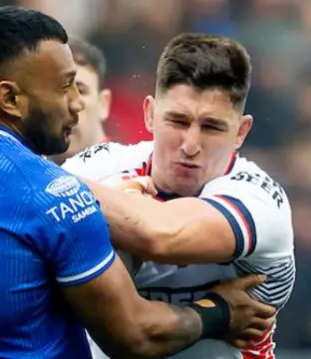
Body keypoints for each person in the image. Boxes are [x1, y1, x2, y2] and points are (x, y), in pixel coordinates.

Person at [0, 7, 276, 359]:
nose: (77, 104)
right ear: (10, 98)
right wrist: (220, 312)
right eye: (66, 87)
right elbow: (136, 334)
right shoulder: (50, 197)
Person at [62, 33, 295, 359]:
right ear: (149, 114)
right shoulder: (101, 168)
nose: (190, 144)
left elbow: (160, 235)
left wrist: (77, 199)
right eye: (177, 120)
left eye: (212, 127)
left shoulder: (259, 198)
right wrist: (217, 311)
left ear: (241, 132)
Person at [48, 37, 112, 165]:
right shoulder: (22, 176)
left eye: (81, 91)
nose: (69, 105)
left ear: (104, 103)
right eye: (56, 91)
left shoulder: (132, 174)